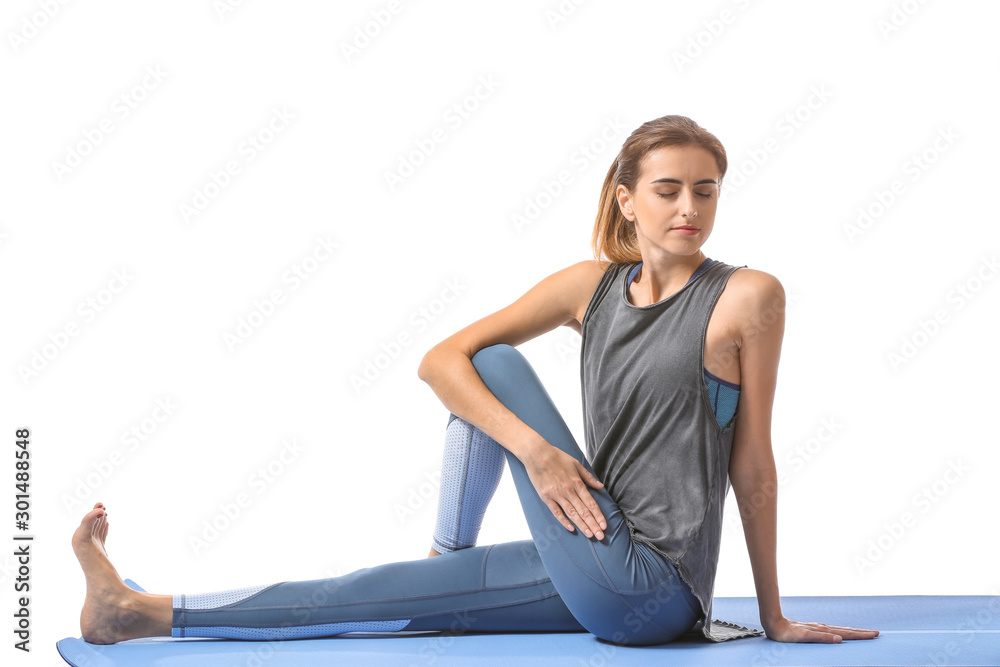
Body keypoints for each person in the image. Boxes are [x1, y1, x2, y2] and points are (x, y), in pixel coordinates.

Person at [72, 114, 879, 646]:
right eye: (667, 189)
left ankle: (442, 548)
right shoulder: (588, 285)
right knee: (376, 594)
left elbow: (754, 463)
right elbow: (436, 361)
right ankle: (137, 612)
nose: (689, 206)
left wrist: (772, 615)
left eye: (706, 189)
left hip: (655, 585)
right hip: (597, 548)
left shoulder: (747, 296)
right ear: (626, 199)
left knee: (491, 363)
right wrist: (539, 451)